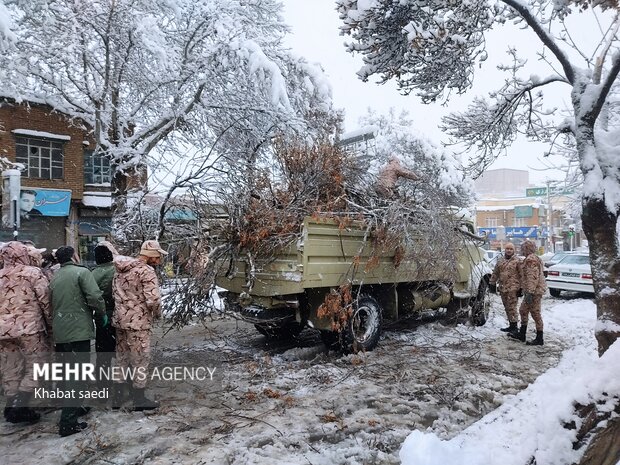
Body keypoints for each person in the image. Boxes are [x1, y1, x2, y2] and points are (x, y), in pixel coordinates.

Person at [49, 246, 107, 437]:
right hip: (78, 332)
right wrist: (101, 315)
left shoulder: (54, 277)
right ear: (74, 256)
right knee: (77, 376)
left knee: (67, 374)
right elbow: (95, 297)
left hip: (60, 332)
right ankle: (68, 423)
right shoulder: (81, 272)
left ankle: (75, 407)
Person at [0, 241, 52, 424]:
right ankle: (20, 404)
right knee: (38, 365)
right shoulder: (32, 273)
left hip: (3, 332)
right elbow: (45, 300)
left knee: (10, 367)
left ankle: (10, 404)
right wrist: (51, 325)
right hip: (30, 329)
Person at [112, 240, 166, 411]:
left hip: (120, 321)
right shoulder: (146, 271)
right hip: (138, 323)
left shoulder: (120, 270)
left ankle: (117, 398)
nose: (158, 260)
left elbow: (115, 293)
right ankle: (139, 399)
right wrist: (157, 314)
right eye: (157, 256)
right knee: (140, 359)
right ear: (151, 255)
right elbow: (153, 299)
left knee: (122, 358)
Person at [509, 240, 547, 345]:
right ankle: (522, 334)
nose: (521, 250)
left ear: (527, 248)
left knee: (535, 313)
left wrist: (529, 292)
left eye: (523, 248)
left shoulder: (531, 260)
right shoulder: (531, 258)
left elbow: (532, 277)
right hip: (533, 290)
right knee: (523, 310)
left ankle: (539, 338)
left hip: (534, 292)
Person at [91, 241, 119, 386]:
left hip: (102, 317)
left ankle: (103, 385)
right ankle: (124, 384)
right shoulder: (117, 271)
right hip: (118, 314)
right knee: (121, 352)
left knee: (103, 354)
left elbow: (91, 296)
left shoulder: (93, 274)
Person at [488, 243, 522, 334]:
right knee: (507, 307)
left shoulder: (518, 261)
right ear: (505, 250)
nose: (509, 250)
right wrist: (492, 283)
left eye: (511, 249)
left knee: (512, 307)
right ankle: (511, 325)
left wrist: (521, 288)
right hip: (503, 288)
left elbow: (522, 275)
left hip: (513, 289)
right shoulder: (500, 261)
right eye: (507, 248)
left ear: (514, 250)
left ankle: (515, 327)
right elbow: (495, 272)